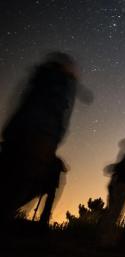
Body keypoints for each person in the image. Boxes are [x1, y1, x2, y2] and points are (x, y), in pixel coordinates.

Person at [0, 52, 93, 224]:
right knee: (19, 185)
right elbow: (52, 113)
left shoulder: (42, 79)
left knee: (13, 182)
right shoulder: (59, 83)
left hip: (24, 135)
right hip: (38, 139)